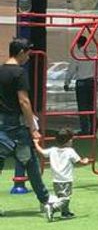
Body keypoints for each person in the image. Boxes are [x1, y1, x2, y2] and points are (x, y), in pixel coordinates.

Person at [0, 37, 57, 220]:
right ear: (21, 52)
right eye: (27, 54)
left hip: (1, 124)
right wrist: (32, 126)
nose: (28, 57)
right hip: (16, 127)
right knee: (30, 162)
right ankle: (45, 199)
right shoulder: (19, 73)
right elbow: (24, 101)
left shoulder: (1, 70)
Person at [34, 128, 89, 220]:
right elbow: (80, 162)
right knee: (66, 198)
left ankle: (65, 212)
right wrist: (85, 161)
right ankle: (52, 208)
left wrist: (36, 143)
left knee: (61, 197)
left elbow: (42, 152)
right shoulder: (70, 151)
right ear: (69, 141)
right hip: (66, 180)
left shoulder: (52, 150)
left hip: (56, 180)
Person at [64, 55, 98, 135]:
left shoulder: (77, 54)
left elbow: (71, 70)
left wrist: (67, 82)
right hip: (92, 82)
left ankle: (85, 130)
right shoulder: (95, 54)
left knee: (82, 107)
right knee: (91, 106)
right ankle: (93, 128)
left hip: (81, 82)